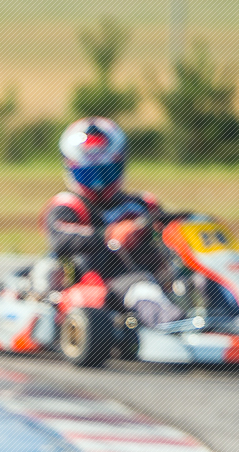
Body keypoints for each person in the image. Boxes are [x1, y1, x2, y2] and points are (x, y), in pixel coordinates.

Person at [42, 116, 184, 325]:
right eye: (88, 175)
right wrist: (109, 235)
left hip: (154, 274)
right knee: (142, 289)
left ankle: (228, 320)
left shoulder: (142, 204)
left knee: (197, 279)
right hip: (100, 281)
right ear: (72, 169)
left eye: (106, 173)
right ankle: (175, 327)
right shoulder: (69, 205)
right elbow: (60, 240)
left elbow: (172, 228)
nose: (99, 184)